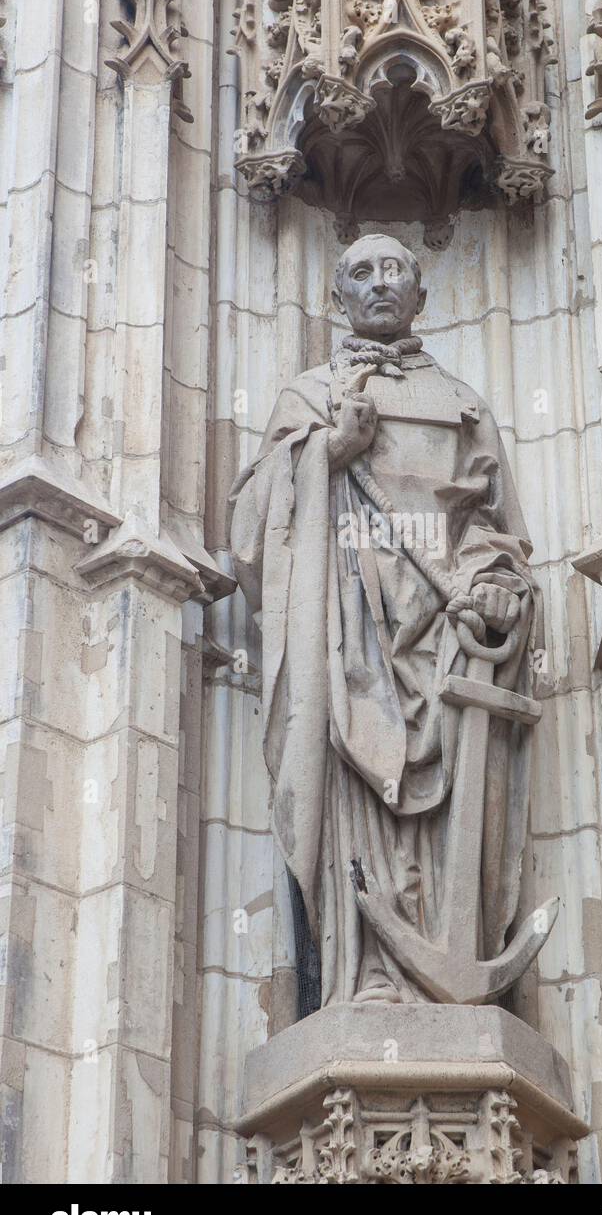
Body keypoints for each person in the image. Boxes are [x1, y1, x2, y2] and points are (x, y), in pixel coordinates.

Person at [229, 234, 539, 1005]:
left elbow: (497, 533)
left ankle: (447, 969)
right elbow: (249, 534)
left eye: (394, 269)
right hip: (346, 634)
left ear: (420, 295)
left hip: (443, 638)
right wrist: (330, 452)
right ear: (337, 297)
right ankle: (362, 973)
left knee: (451, 802)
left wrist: (492, 589)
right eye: (360, 273)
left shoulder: (464, 406)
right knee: (355, 793)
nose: (378, 285)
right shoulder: (308, 400)